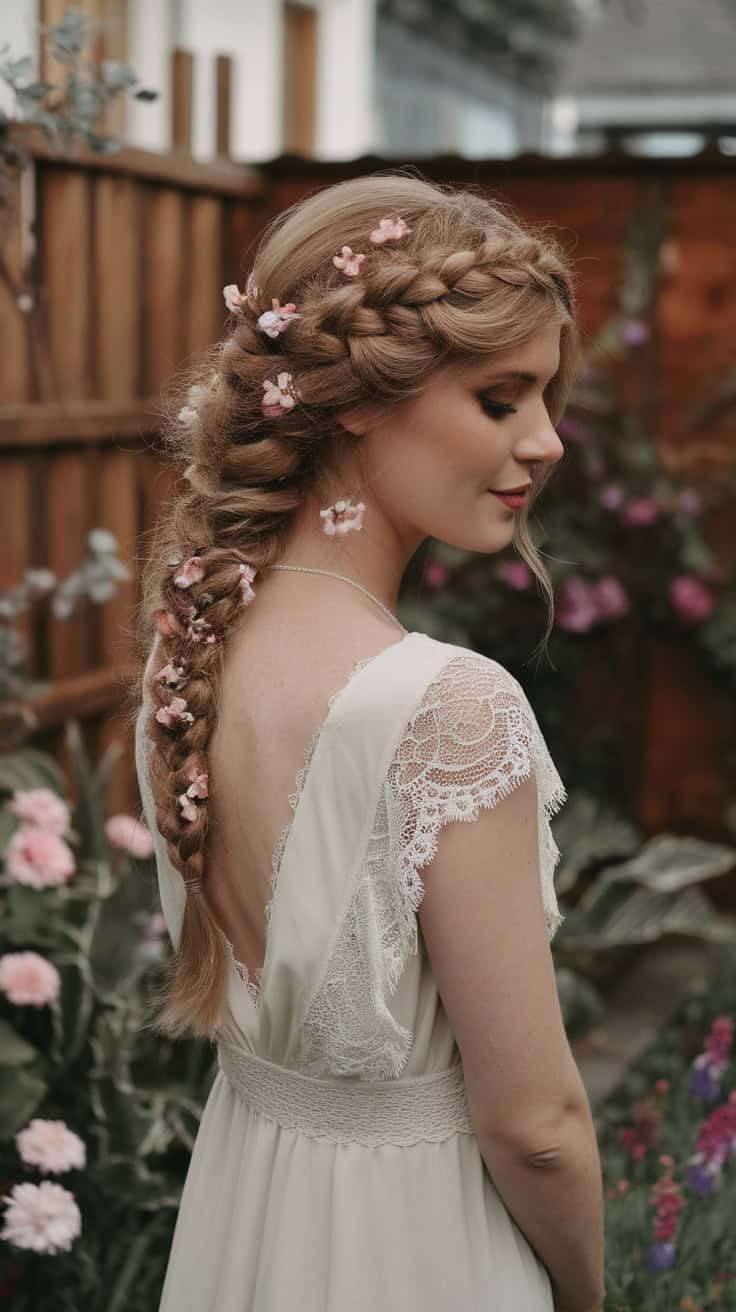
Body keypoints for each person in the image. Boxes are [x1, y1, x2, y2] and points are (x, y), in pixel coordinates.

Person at [131, 169, 605, 1312]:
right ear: (354, 399)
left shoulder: (189, 643)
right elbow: (536, 1127)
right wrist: (587, 1292)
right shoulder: (446, 706)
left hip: (250, 1218)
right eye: (500, 399)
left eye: (545, 399)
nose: (544, 441)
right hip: (419, 1249)